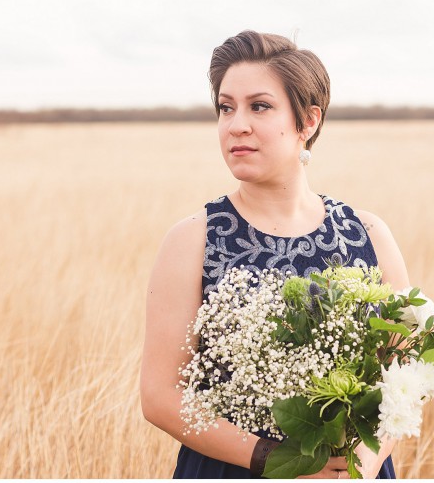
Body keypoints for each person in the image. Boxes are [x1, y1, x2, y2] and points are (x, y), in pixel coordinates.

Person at [140, 30, 410, 479]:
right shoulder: (195, 241)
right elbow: (160, 396)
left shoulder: (368, 235)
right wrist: (286, 464)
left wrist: (355, 466)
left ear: (308, 121)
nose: (236, 124)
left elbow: (404, 378)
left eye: (259, 106)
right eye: (226, 107)